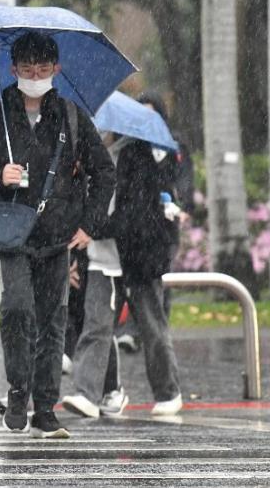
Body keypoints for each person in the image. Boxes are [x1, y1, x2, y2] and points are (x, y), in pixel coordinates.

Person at [0, 31, 115, 439]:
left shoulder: (71, 116)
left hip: (58, 235)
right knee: (17, 308)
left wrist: (89, 225)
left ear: (56, 70)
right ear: (13, 70)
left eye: (43, 69)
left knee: (53, 321)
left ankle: (46, 406)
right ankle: (18, 389)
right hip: (11, 233)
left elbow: (104, 172)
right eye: (27, 69)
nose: (35, 75)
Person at [110, 135, 184, 415]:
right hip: (110, 254)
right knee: (99, 327)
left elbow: (136, 210)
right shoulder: (96, 151)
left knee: (152, 325)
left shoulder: (139, 154)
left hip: (140, 255)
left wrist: (103, 226)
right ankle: (104, 391)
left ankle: (168, 391)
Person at [61, 133, 132, 418]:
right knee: (90, 323)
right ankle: (109, 389)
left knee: (98, 324)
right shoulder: (82, 159)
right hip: (87, 256)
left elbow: (126, 215)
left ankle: (90, 392)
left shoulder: (127, 159)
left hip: (112, 259)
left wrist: (95, 229)